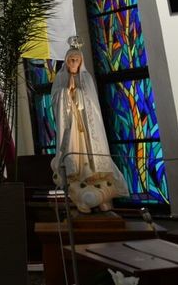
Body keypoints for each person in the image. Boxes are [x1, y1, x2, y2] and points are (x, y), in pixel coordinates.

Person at [51, 39, 129, 213]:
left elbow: (92, 103)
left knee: (90, 152)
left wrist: (77, 93)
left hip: (87, 126)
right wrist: (66, 92)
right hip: (70, 127)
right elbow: (55, 99)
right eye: (71, 60)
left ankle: (98, 188)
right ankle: (78, 186)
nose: (73, 63)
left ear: (81, 62)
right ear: (66, 61)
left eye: (76, 60)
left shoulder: (86, 77)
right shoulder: (61, 77)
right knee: (73, 152)